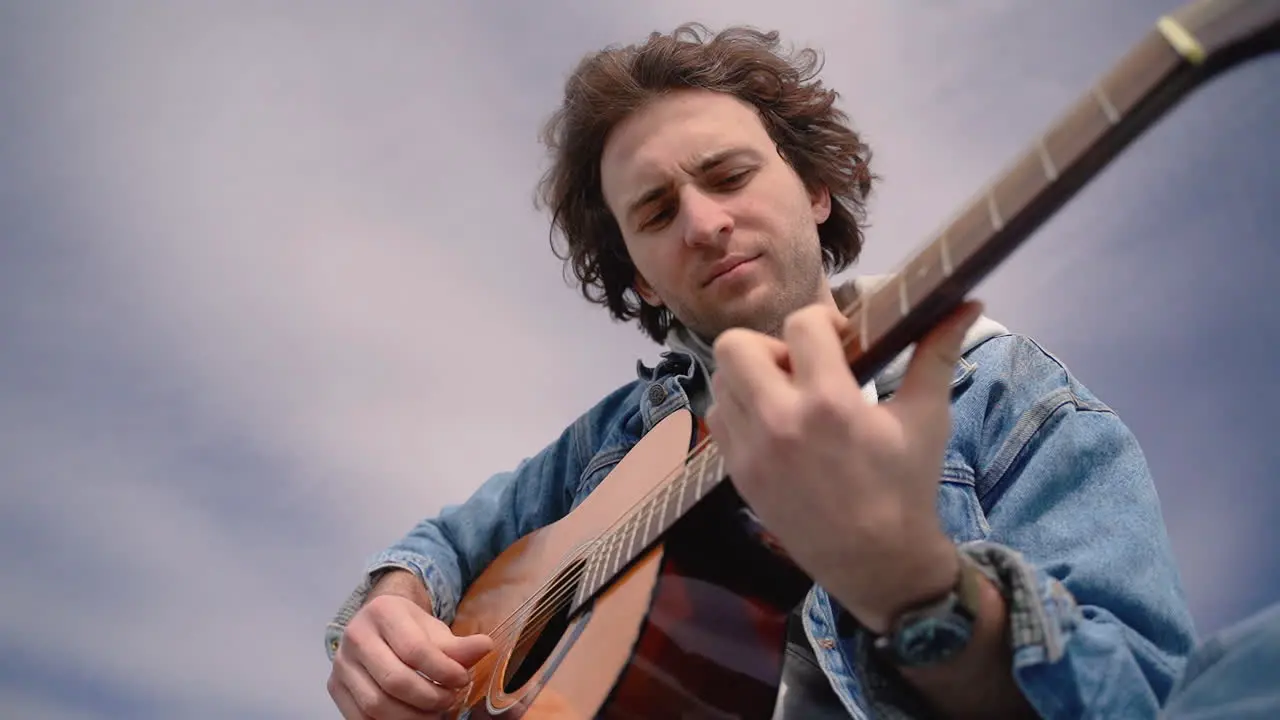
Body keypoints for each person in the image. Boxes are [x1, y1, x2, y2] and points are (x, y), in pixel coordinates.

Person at [324, 24, 1197, 719]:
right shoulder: (616, 439)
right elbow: (447, 543)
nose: (703, 223)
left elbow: (1142, 697)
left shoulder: (1009, 402)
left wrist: (918, 591)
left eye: (729, 175)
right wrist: (389, 610)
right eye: (658, 212)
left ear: (815, 191)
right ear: (640, 277)